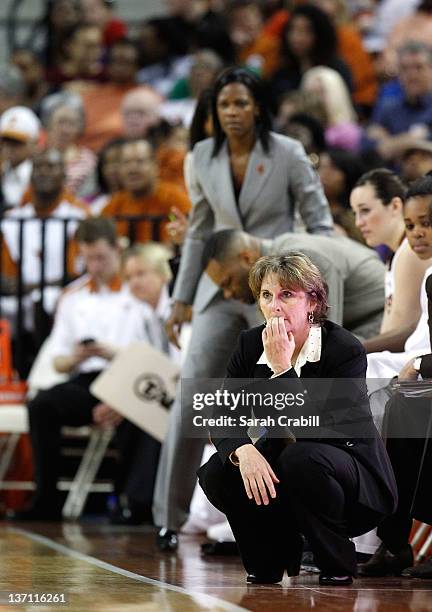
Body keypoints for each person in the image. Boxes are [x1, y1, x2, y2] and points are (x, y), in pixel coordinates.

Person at [154, 66, 334, 551]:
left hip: (274, 288)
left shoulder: (289, 153)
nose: (232, 113)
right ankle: (168, 516)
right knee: (193, 394)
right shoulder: (200, 156)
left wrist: (283, 264)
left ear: (258, 107)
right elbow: (197, 231)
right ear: (214, 111)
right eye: (223, 105)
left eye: (240, 103)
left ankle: (280, 518)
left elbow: (320, 227)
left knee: (277, 398)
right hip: (220, 288)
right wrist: (182, 297)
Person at [197, 253, 397, 585]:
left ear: (313, 302)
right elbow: (223, 414)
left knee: (301, 457)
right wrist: (242, 451)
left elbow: (322, 429)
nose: (274, 305)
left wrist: (282, 369)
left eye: (286, 294)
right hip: (291, 468)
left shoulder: (343, 349)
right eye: (266, 295)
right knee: (219, 470)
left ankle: (336, 562)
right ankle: (268, 561)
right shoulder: (249, 344)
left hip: (350, 475)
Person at [9, 217, 155, 521]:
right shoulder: (72, 297)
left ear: (118, 250)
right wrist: (77, 356)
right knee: (42, 405)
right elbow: (58, 361)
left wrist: (113, 356)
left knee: (139, 411)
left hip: (131, 377)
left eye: (101, 257)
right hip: (87, 378)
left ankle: (132, 501)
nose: (95, 265)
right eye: (88, 258)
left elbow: (153, 356)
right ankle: (46, 499)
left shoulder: (137, 291)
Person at [203, 228, 385, 340]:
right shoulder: (278, 263)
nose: (228, 295)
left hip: (384, 317)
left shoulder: (298, 258)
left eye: (228, 283)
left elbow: (323, 344)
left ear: (247, 258)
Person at [350, 169, 431, 354]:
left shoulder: (409, 252)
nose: (358, 222)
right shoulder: (397, 253)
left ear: (395, 206)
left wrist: (355, 350)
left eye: (365, 211)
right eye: (355, 213)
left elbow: (406, 334)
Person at [100, 138, 191, 243]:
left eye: (140, 161)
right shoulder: (114, 207)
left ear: (155, 165)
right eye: (126, 162)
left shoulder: (174, 201)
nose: (132, 169)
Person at [0, 105, 41, 210]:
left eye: (17, 143)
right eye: (5, 142)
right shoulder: (2, 171)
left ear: (34, 144)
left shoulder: (40, 175)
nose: (9, 148)